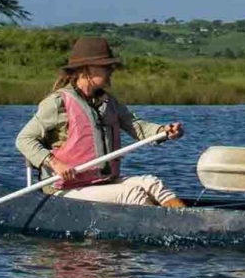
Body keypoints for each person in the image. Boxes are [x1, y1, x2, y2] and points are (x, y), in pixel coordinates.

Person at [16, 37, 187, 207]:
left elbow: (136, 125)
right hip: (64, 190)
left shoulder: (109, 102)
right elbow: (24, 140)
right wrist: (55, 163)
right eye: (106, 66)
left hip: (100, 183)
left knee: (154, 184)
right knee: (132, 195)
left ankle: (186, 224)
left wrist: (163, 131)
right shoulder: (57, 103)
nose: (111, 70)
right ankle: (163, 230)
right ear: (86, 70)